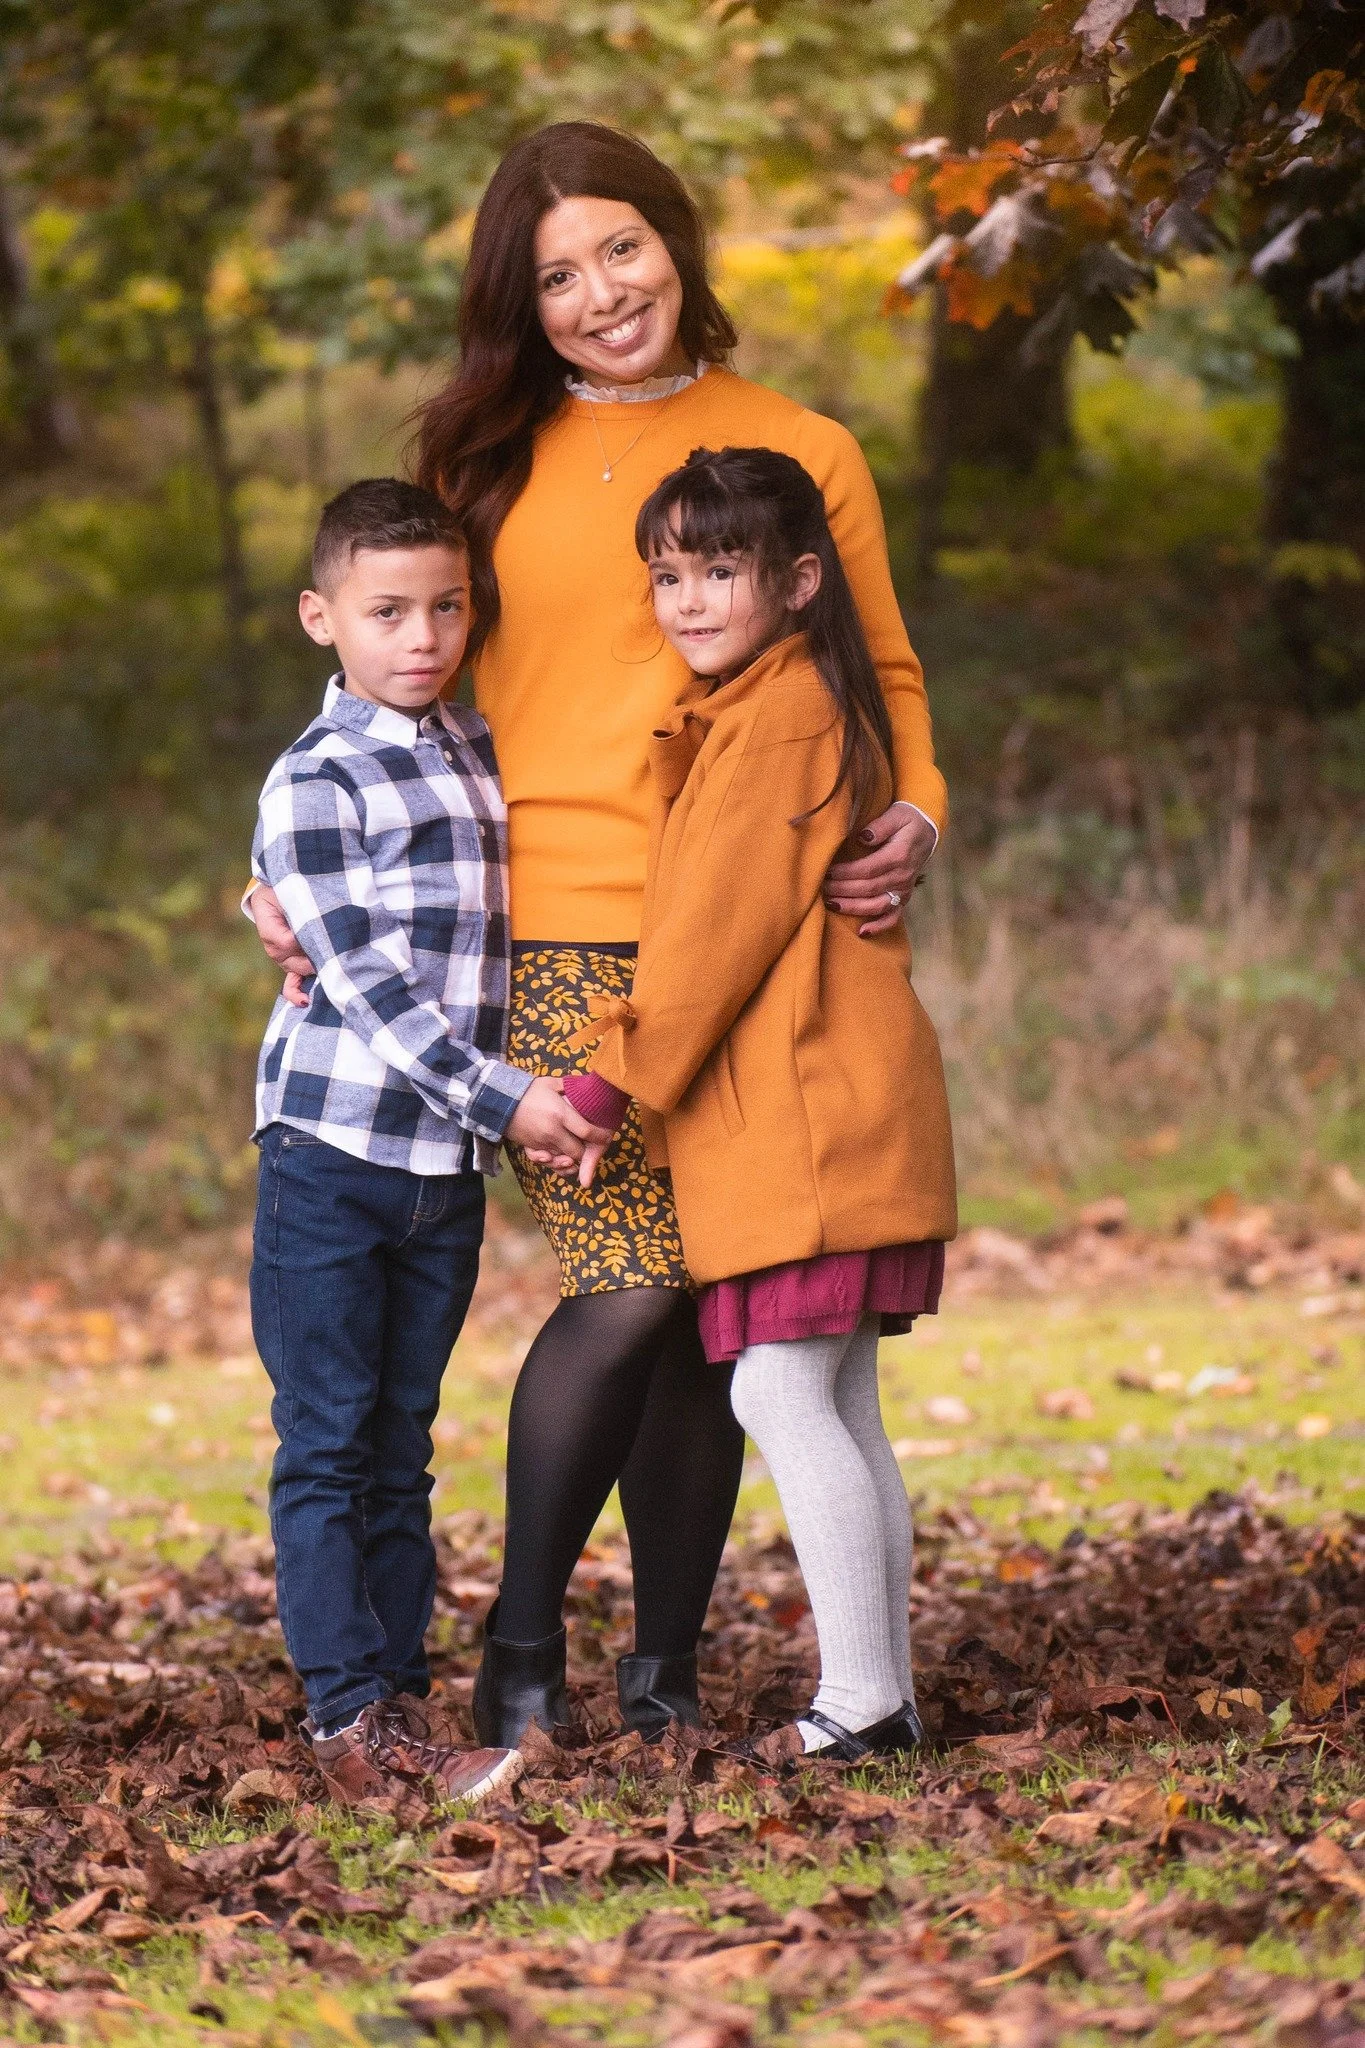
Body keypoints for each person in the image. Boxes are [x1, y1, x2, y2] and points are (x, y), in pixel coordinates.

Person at [247, 123, 949, 1751]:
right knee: (636, 1289)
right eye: (555, 274)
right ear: (522, 298)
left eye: (621, 250)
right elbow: (386, 644)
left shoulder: (799, 447)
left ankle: (668, 1668)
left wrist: (916, 814)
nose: (598, 293)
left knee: (722, 1315)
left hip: (772, 931)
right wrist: (283, 861)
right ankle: (523, 1646)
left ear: (679, 245)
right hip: (555, 938)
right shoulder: (485, 452)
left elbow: (886, 667)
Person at [563, 446, 956, 1761]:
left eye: (718, 570)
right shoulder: (765, 704)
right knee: (835, 1401)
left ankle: (861, 1702)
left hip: (810, 1111)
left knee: (779, 1392)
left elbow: (710, 938)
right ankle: (881, 1697)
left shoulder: (779, 717)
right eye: (667, 574)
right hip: (829, 1100)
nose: (686, 599)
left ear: (795, 582)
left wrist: (607, 1079)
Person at [248, 478, 606, 1804]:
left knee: (402, 1439)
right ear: (320, 616)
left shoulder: (474, 747)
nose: (422, 634)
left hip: (436, 1178)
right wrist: (508, 1097)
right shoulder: (315, 779)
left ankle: (395, 1697)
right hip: (333, 1156)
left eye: (447, 606)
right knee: (331, 1435)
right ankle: (348, 1718)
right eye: (387, 610)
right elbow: (371, 984)